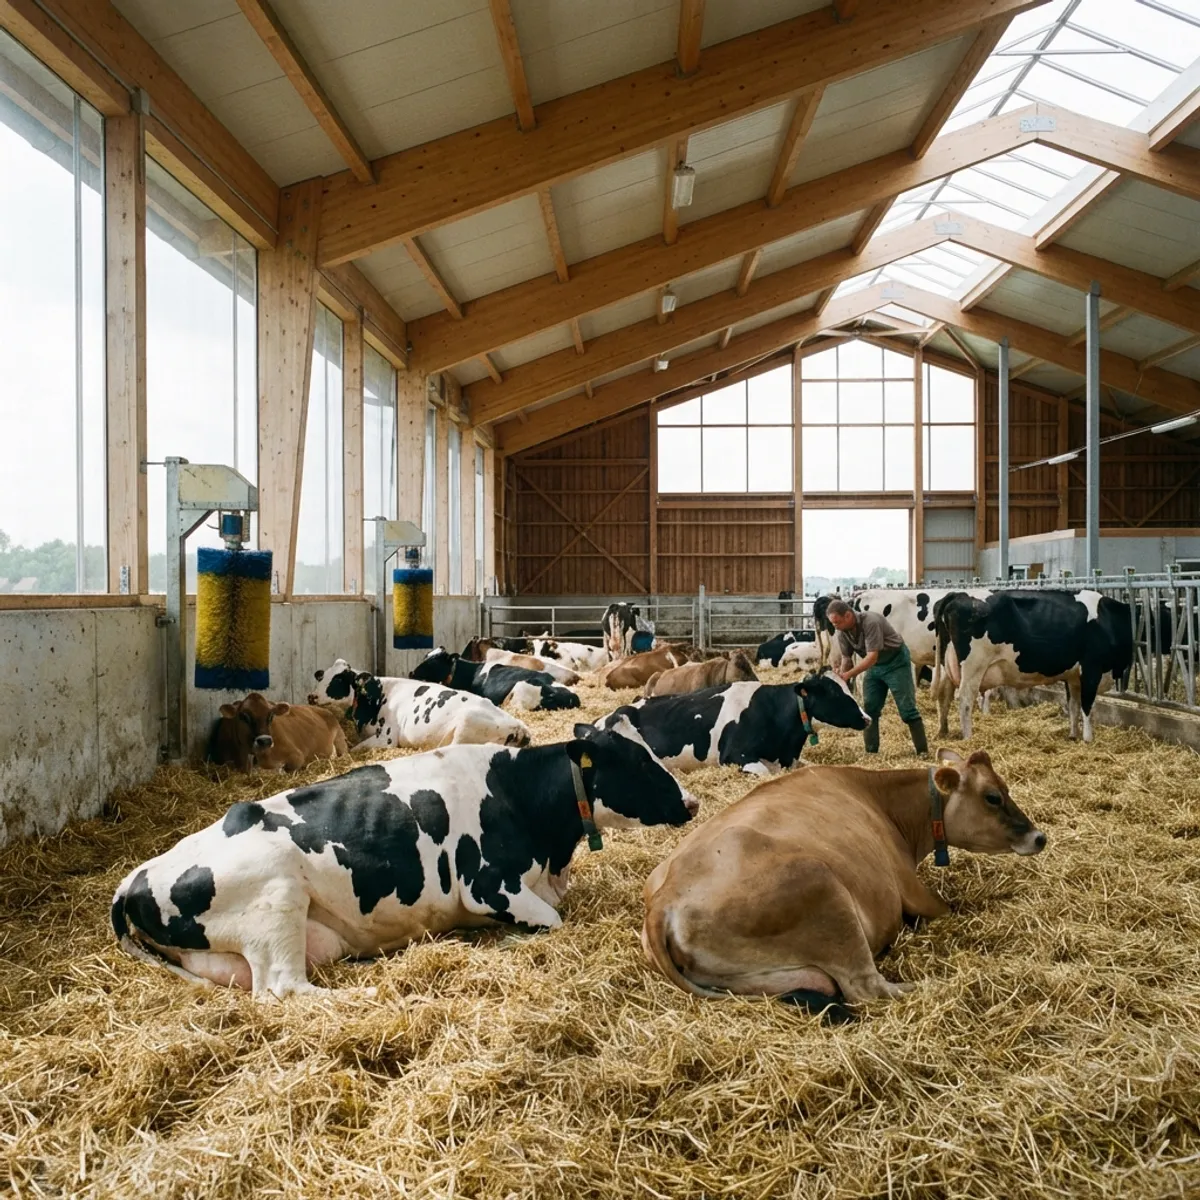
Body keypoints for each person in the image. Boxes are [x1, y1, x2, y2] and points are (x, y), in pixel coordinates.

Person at [825, 598, 928, 756]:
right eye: (833, 624)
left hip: (895, 663)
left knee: (907, 710)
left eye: (837, 622)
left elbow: (872, 656)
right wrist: (841, 678)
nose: (835, 627)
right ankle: (871, 753)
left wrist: (849, 675)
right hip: (874, 667)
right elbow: (847, 658)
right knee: (869, 708)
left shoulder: (870, 621)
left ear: (847, 615)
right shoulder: (842, 632)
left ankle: (922, 752)